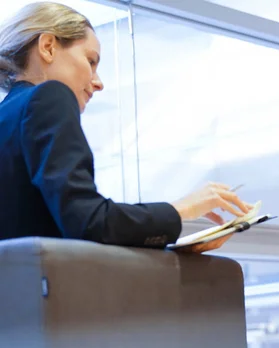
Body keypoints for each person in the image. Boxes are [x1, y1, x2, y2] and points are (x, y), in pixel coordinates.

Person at [0, 2, 250, 252]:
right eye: (91, 61)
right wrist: (182, 208)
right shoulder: (50, 96)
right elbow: (89, 222)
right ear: (47, 47)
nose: (98, 83)